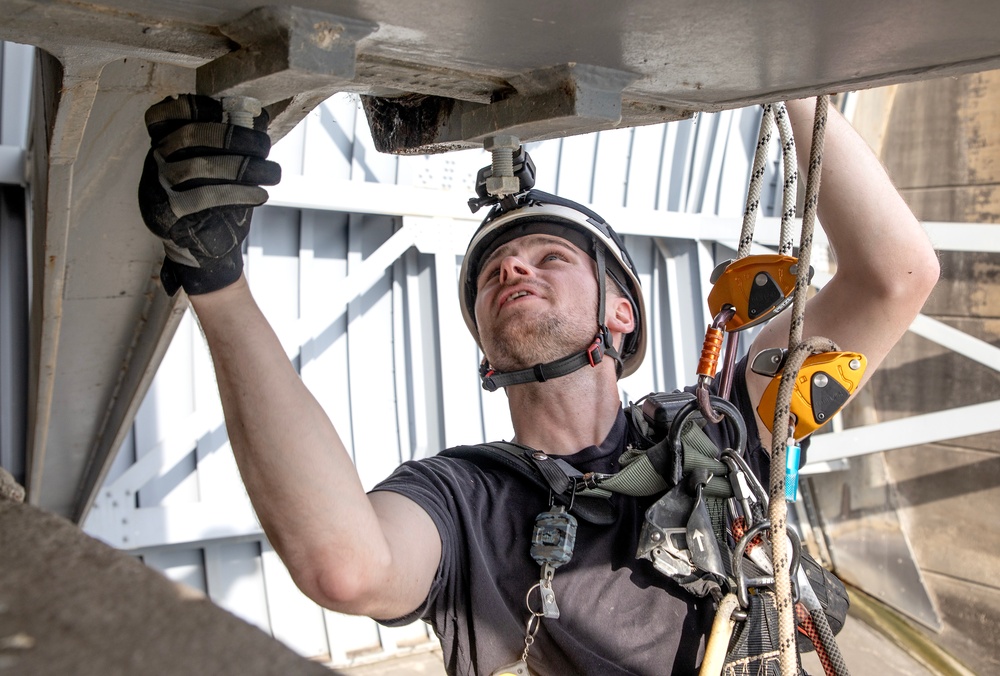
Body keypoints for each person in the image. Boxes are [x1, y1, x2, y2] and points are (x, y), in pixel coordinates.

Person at [138, 94, 939, 674]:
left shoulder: (714, 425)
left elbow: (896, 275)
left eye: (551, 258)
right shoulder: (465, 501)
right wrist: (218, 284)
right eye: (493, 273)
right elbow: (347, 564)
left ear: (621, 314)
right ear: (488, 355)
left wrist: (785, 78)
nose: (513, 266)